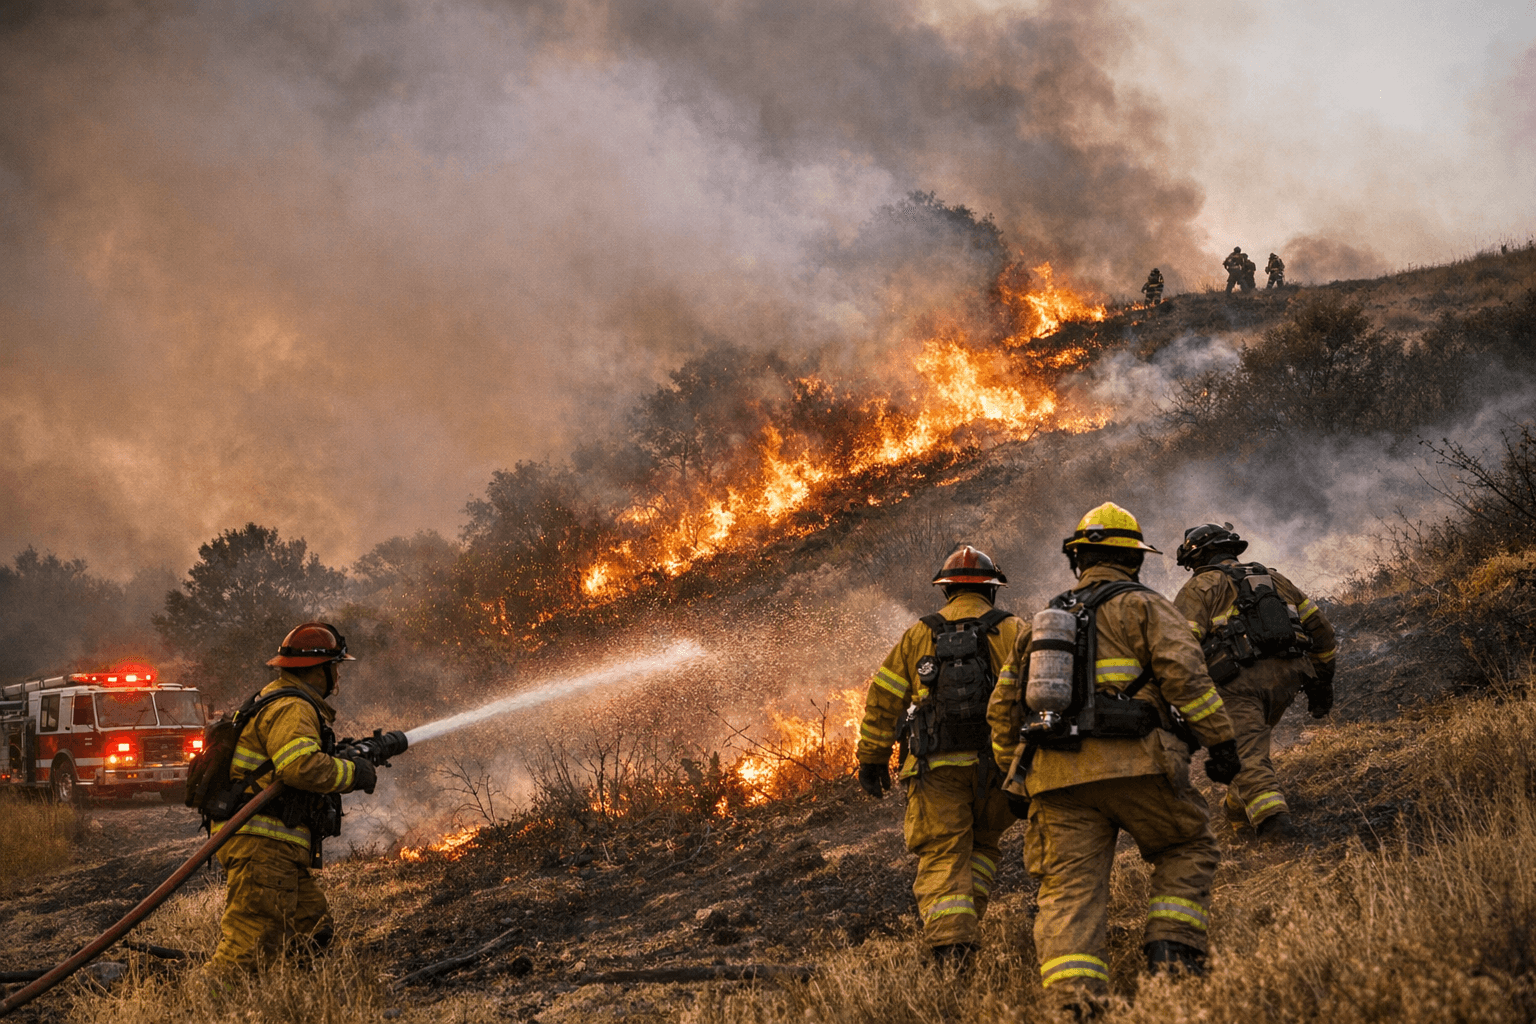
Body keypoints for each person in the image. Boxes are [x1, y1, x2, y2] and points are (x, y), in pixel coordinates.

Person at [987, 503, 1240, 1017]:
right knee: (1186, 845)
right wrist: (1221, 742)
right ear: (1135, 561)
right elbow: (1185, 676)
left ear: (1077, 560)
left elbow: (1002, 709)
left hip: (1056, 778)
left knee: (1068, 893)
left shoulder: (1040, 622)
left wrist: (1016, 777)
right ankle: (1172, 962)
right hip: (1139, 764)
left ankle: (1075, 1005)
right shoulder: (1145, 606)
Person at [855, 545, 1024, 967]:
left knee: (943, 853)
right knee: (983, 847)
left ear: (946, 591)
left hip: (936, 768)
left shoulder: (919, 634)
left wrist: (872, 758)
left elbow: (884, 699)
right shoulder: (1014, 630)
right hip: (998, 769)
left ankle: (952, 950)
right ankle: (965, 924)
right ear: (992, 590)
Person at [206, 622, 378, 973]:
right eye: (335, 668)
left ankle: (287, 997)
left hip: (272, 847)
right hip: (262, 845)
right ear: (317, 671)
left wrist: (337, 754)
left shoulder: (280, 699)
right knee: (249, 946)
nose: (338, 678)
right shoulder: (293, 707)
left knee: (312, 929)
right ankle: (211, 1002)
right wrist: (353, 774)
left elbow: (290, 758)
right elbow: (299, 767)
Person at [1173, 524, 1337, 840]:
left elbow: (1178, 647)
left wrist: (1179, 698)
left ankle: (1276, 829)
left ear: (1199, 557)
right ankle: (1236, 811)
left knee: (1246, 757)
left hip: (1235, 686)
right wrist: (1322, 683)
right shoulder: (1274, 580)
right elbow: (1323, 631)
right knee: (1249, 750)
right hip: (1288, 680)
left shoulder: (1200, 587)